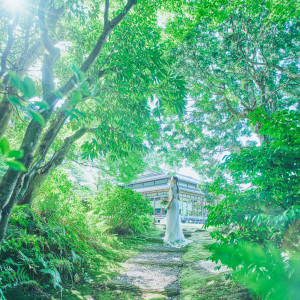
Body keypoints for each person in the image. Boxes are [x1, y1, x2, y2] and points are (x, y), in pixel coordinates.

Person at [163, 176, 192, 248]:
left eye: (171, 179)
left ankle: (170, 237)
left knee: (170, 220)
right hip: (176, 203)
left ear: (174, 180)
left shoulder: (172, 186)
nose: (170, 180)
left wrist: (168, 204)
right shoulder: (177, 187)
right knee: (175, 220)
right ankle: (175, 236)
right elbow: (178, 197)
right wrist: (168, 200)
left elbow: (172, 197)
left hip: (172, 203)